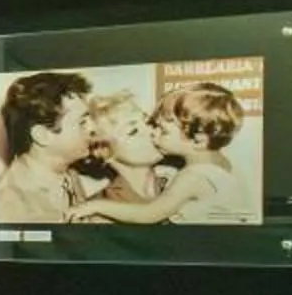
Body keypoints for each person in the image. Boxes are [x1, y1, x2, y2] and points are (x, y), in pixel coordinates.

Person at [75, 82, 256, 224]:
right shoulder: (101, 213)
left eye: (148, 122)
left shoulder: (185, 172)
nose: (152, 131)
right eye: (133, 131)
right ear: (102, 151)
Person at [0, 70, 94, 223]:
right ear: (42, 135)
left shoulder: (66, 174)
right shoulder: (10, 205)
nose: (93, 128)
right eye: (82, 122)